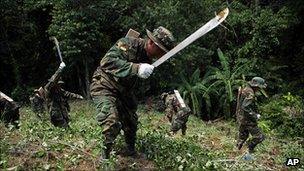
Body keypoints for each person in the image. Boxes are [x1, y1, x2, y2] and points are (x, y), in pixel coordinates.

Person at [90, 26, 175, 160]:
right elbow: (107, 62)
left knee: (131, 122)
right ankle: (104, 158)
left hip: (123, 91)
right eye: (160, 51)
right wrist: (136, 68)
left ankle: (129, 150)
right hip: (104, 85)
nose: (161, 55)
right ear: (151, 42)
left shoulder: (149, 59)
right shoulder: (127, 43)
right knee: (111, 121)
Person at [44, 62, 84, 128]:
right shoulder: (49, 89)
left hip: (61, 114)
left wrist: (78, 96)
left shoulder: (59, 90)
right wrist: (60, 69)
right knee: (65, 129)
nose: (60, 85)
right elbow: (53, 80)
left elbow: (68, 94)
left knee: (64, 129)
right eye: (58, 84)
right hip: (55, 114)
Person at [235, 77, 267, 153]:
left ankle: (237, 151)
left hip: (241, 117)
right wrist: (255, 115)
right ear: (256, 86)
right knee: (260, 137)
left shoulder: (246, 89)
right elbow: (245, 107)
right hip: (247, 119)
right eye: (259, 87)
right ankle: (249, 148)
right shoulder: (250, 93)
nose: (260, 89)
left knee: (243, 136)